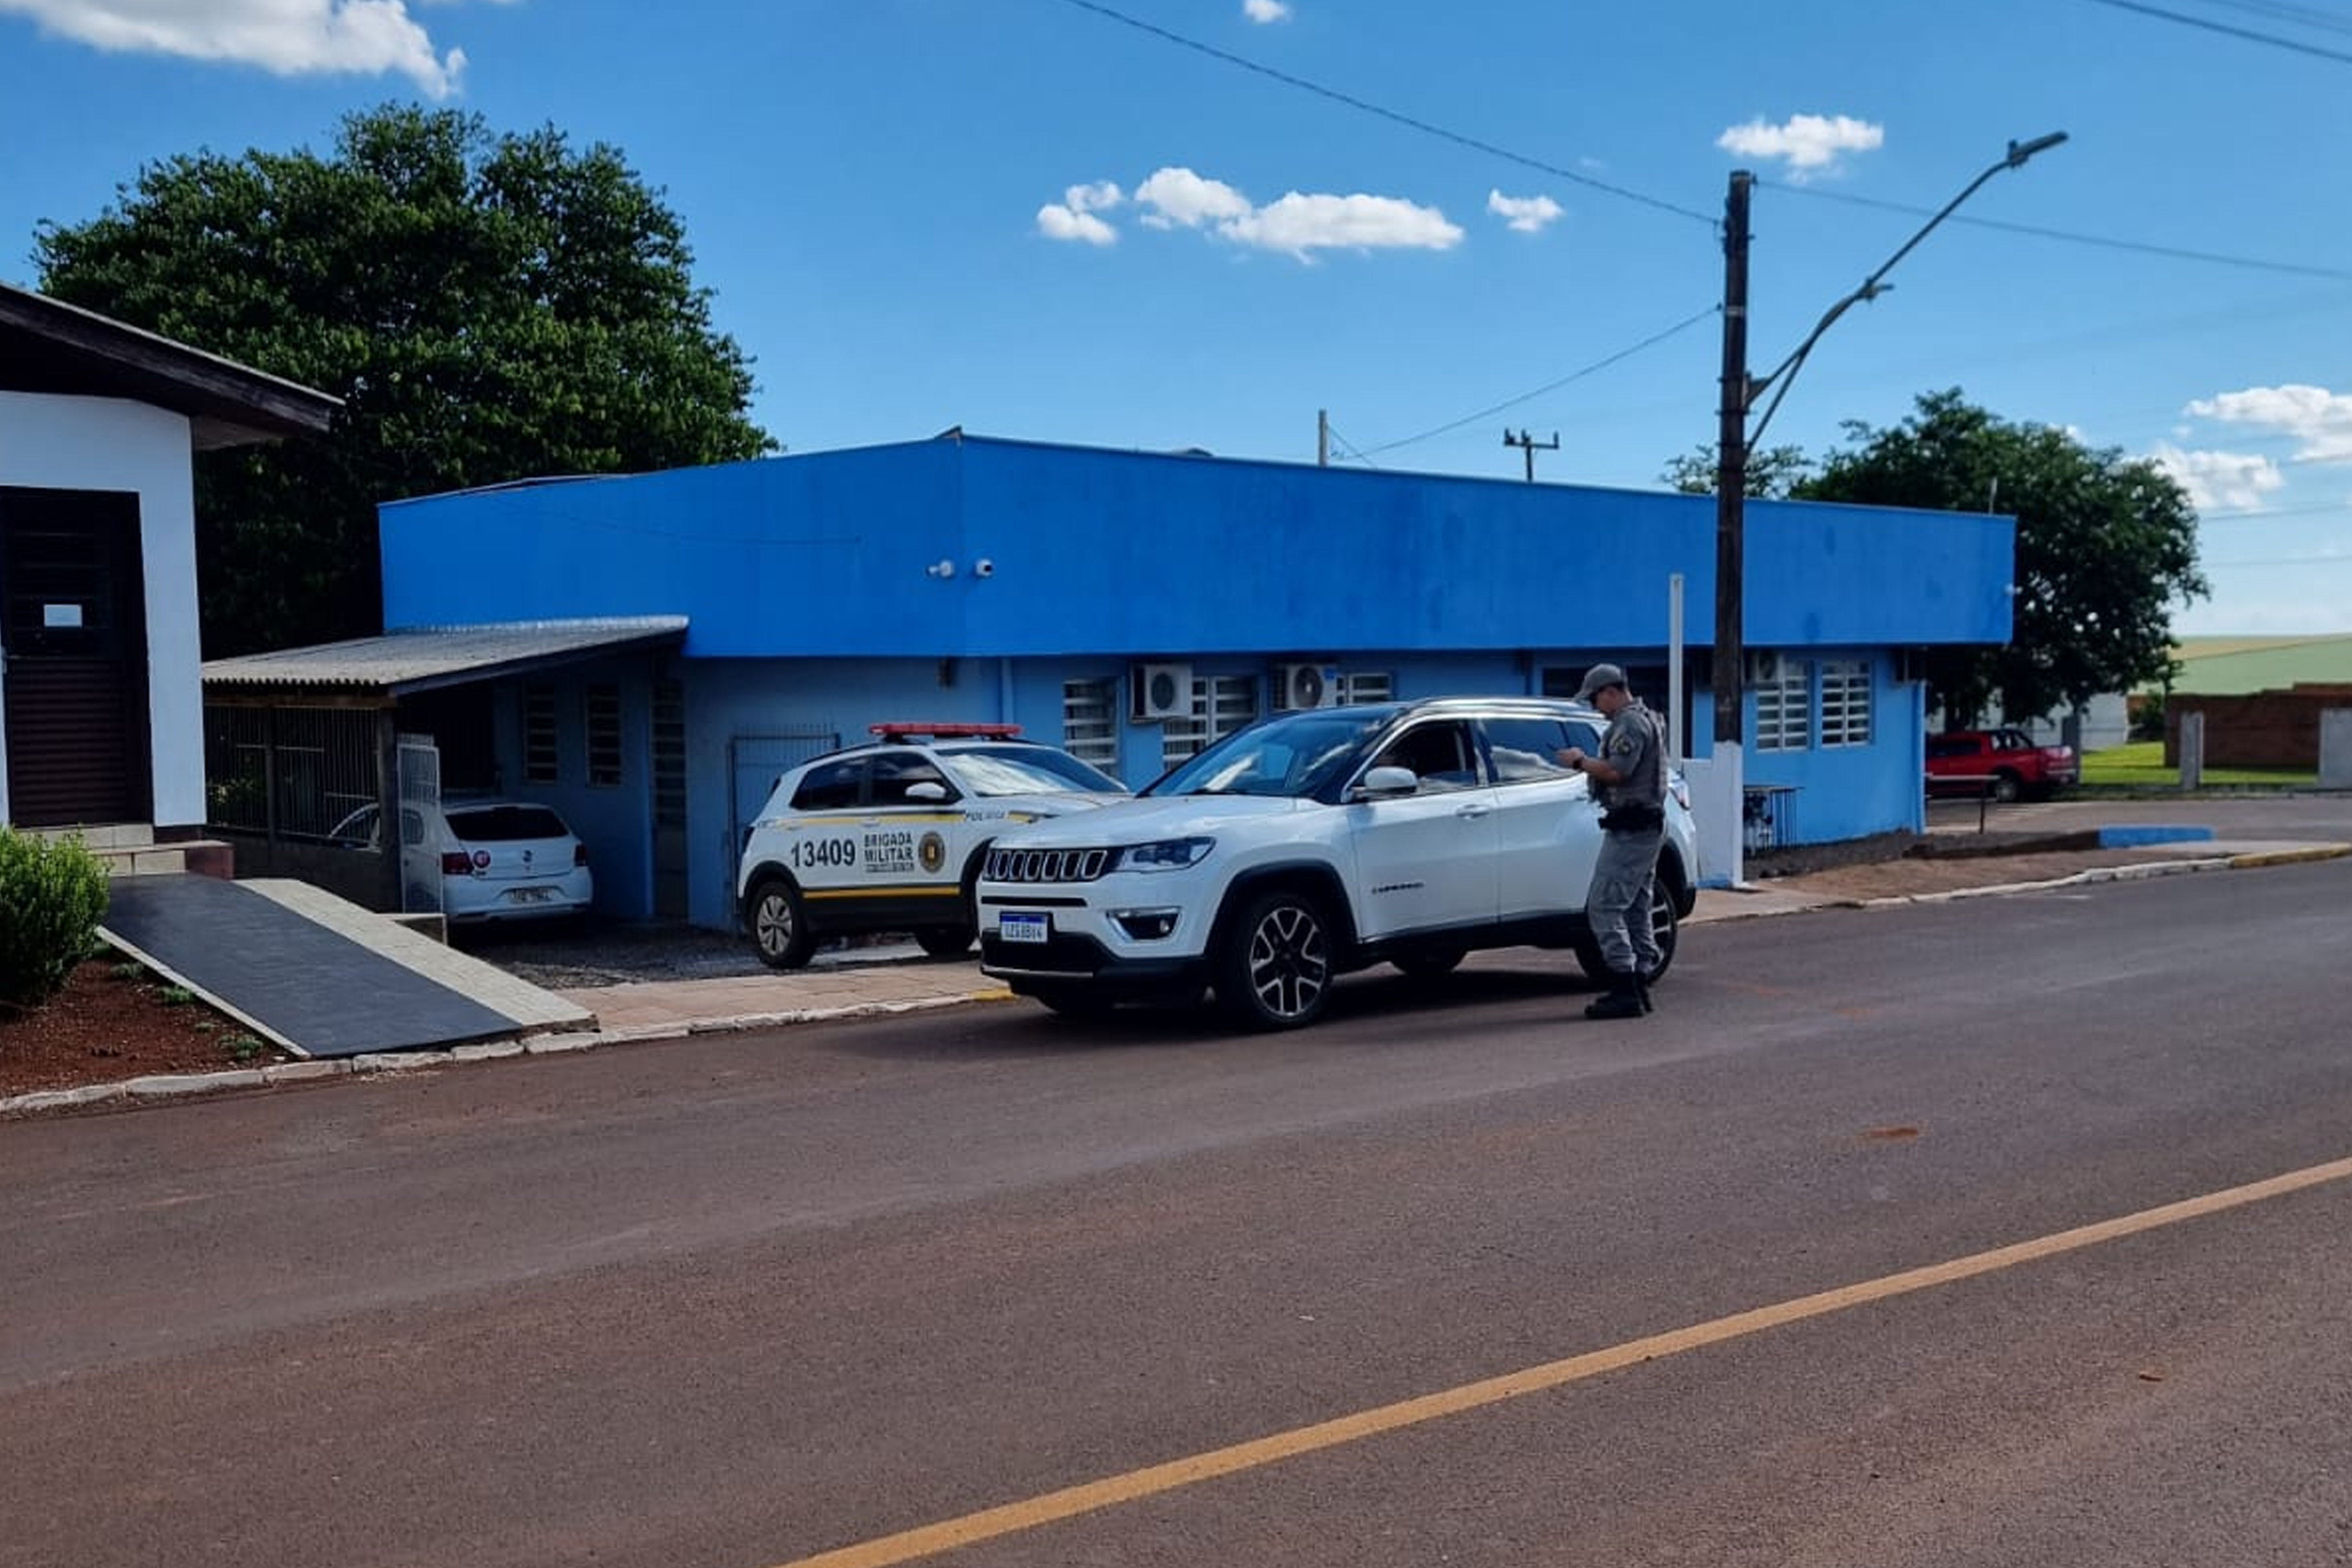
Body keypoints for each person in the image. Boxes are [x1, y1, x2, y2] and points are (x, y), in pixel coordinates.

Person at [1557, 663, 1667, 1020]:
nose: (1595, 708)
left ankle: (1624, 986)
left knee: (1604, 906)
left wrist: (1580, 762)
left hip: (1633, 828)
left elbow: (1618, 772)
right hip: (1641, 825)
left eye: (1595, 699)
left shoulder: (1630, 724)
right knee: (1635, 906)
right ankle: (1637, 983)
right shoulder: (1644, 718)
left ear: (1611, 691)